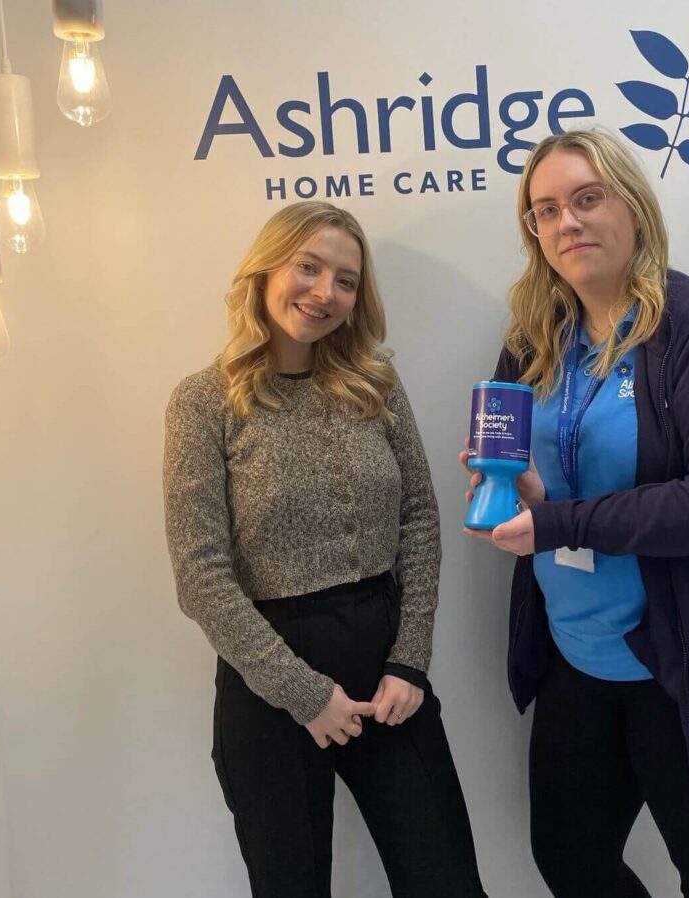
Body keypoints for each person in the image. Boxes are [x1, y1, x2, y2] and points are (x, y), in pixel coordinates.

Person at [461, 129, 689, 898]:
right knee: (570, 863)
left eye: (587, 198)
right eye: (545, 210)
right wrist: (510, 487)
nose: (567, 221)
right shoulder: (533, 337)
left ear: (632, 204)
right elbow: (515, 458)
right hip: (577, 658)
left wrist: (560, 525)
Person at [164, 201, 486, 898]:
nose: (324, 292)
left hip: (386, 665)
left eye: (345, 280)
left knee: (446, 881)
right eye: (307, 267)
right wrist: (305, 695)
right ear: (265, 270)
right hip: (269, 678)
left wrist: (410, 662)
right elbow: (200, 576)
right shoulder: (204, 403)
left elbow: (419, 519)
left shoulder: (375, 384)